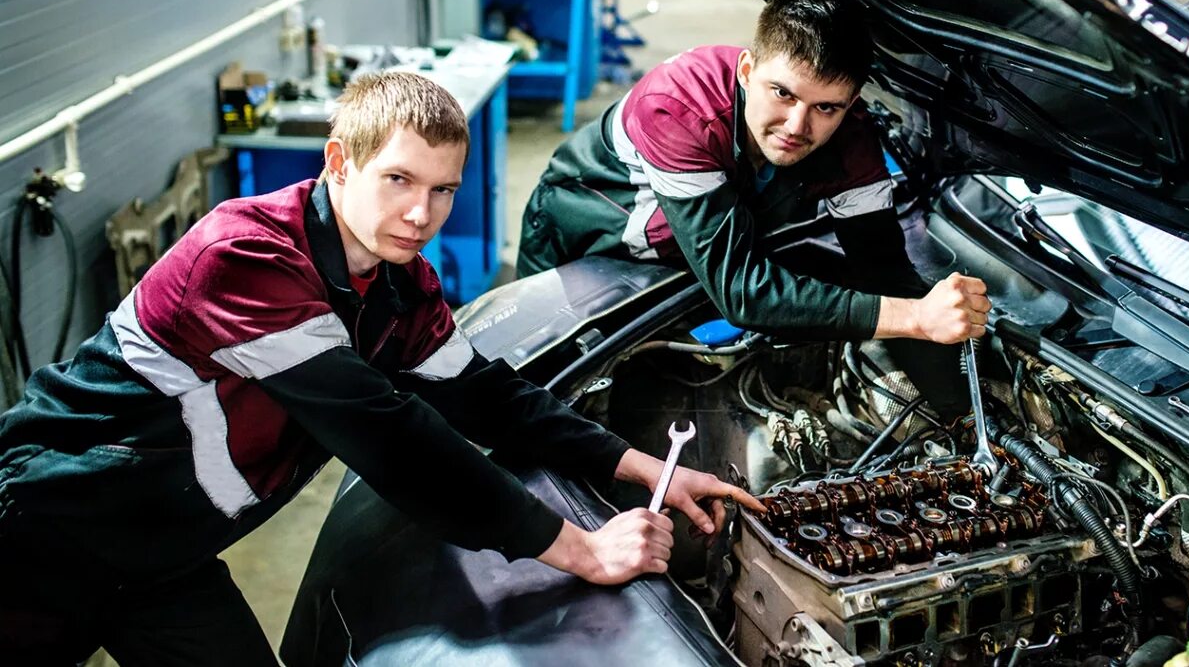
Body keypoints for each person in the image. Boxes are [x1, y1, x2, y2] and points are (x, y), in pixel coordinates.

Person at [0, 71, 760, 666]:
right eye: (399, 179)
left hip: (165, 555)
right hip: (50, 526)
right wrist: (580, 547)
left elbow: (486, 396)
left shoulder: (400, 284)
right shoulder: (243, 258)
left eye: (442, 190)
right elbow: (393, 440)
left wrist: (638, 464)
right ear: (340, 161)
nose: (421, 215)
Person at [517, 0, 991, 348]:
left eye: (826, 107)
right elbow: (742, 293)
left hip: (694, 251)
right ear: (746, 71)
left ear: (850, 103)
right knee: (546, 386)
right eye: (782, 93)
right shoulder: (680, 108)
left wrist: (942, 310)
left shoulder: (851, 133)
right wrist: (912, 319)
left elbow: (882, 269)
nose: (797, 126)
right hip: (585, 236)